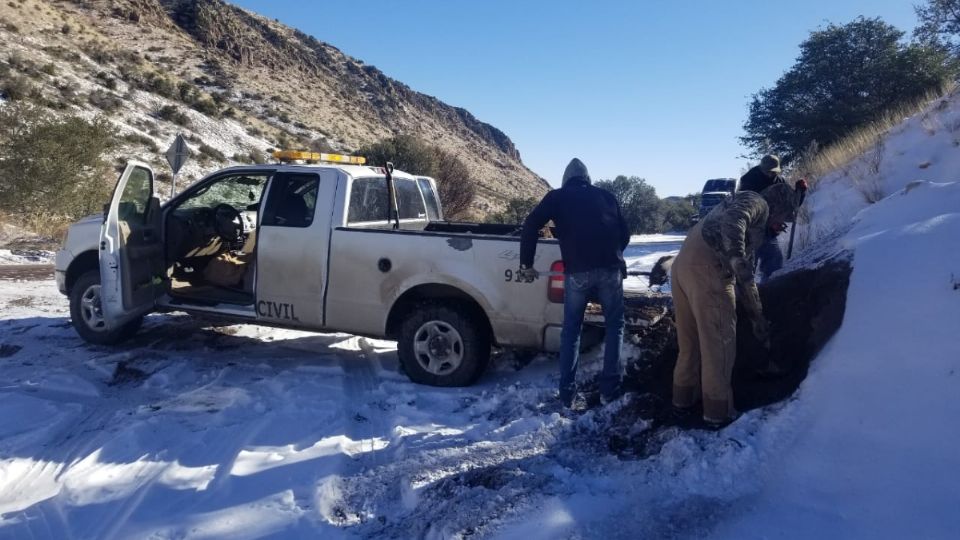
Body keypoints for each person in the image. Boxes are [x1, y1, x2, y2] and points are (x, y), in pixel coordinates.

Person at [671, 182, 801, 426]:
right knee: (719, 343)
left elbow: (745, 281)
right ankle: (717, 412)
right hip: (709, 269)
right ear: (778, 205)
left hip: (683, 266)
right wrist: (736, 257)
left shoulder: (739, 216)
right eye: (784, 217)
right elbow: (736, 220)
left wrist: (757, 317)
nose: (781, 225)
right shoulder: (756, 201)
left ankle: (683, 398)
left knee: (689, 342)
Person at [518, 158, 630, 407]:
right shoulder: (607, 196)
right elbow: (625, 234)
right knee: (615, 326)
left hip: (578, 273)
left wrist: (526, 264)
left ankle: (568, 394)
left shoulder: (557, 197)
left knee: (572, 330)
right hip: (611, 271)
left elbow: (531, 224)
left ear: (566, 180)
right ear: (588, 180)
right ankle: (609, 389)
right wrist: (613, 255)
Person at [738, 155, 786, 280]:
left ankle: (770, 292)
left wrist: (800, 192)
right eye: (768, 171)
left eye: (773, 172)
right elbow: (745, 208)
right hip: (750, 231)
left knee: (775, 265)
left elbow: (790, 204)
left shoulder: (780, 181)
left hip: (769, 232)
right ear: (762, 169)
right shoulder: (749, 180)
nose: (771, 174)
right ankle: (744, 296)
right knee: (746, 270)